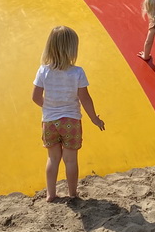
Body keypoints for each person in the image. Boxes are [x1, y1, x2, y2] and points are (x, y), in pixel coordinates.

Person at [33, 25, 105, 202]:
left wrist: (48, 108)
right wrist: (94, 118)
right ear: (72, 49)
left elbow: (35, 97)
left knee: (53, 158)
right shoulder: (77, 72)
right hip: (71, 121)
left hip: (50, 121)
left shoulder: (43, 70)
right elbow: (85, 98)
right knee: (70, 160)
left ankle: (51, 194)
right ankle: (73, 194)